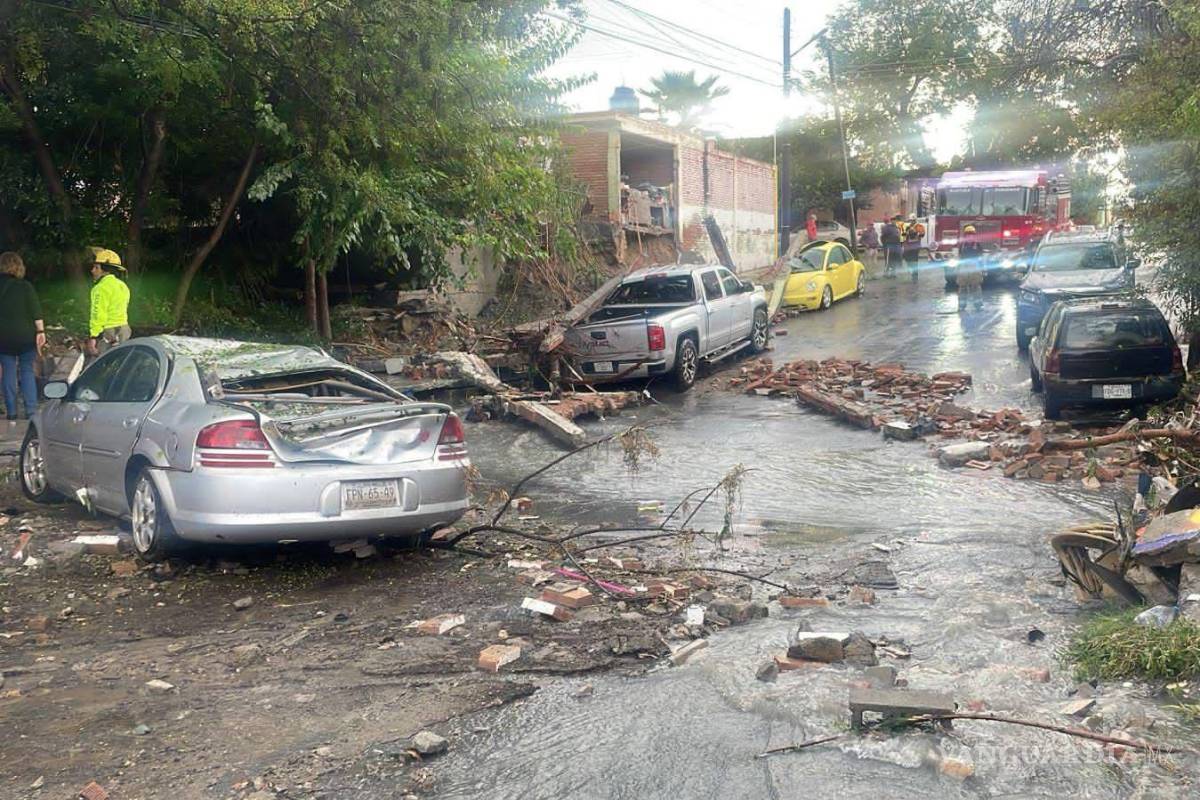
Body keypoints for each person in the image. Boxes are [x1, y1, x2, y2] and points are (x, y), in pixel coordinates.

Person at [0, 252, 46, 420]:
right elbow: (36, 311)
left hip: (3, 338)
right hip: (26, 336)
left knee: (8, 372)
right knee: (26, 370)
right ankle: (31, 410)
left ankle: (11, 412)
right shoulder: (25, 286)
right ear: (19, 266)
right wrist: (41, 332)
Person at [87, 247, 131, 356]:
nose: (92, 270)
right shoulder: (123, 286)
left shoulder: (100, 288)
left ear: (104, 270)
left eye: (96, 267)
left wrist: (94, 337)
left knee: (99, 366)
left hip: (108, 334)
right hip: (124, 331)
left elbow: (97, 314)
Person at [957, 225, 985, 311]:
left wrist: (982, 268)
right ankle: (961, 306)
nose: (970, 236)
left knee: (976, 287)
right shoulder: (962, 245)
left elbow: (981, 257)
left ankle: (978, 305)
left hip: (974, 267)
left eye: (971, 235)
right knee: (962, 287)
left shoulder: (978, 245)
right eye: (968, 235)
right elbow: (960, 256)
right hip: (964, 267)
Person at [903, 214, 925, 281]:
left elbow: (922, 234)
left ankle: (915, 276)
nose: (911, 222)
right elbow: (904, 235)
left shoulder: (919, 226)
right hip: (908, 247)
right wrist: (906, 233)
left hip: (915, 246)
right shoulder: (908, 227)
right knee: (906, 257)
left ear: (915, 220)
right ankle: (912, 270)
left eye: (912, 220)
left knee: (914, 261)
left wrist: (915, 233)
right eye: (910, 220)